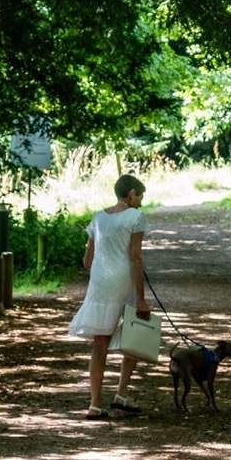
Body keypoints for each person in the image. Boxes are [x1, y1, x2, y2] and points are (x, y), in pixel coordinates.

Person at [68, 173, 150, 420]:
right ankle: (121, 393)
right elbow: (135, 257)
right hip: (122, 282)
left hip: (99, 285)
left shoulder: (97, 218)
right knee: (133, 334)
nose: (141, 202)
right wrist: (142, 298)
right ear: (132, 193)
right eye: (140, 197)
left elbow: (86, 262)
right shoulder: (136, 218)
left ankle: (94, 404)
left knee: (99, 345)